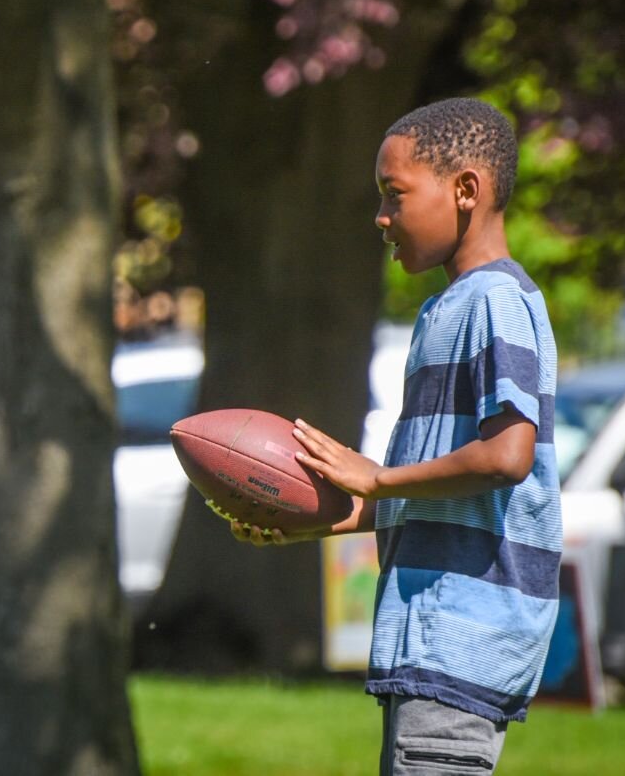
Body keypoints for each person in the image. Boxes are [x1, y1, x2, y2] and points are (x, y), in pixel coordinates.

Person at [223, 98, 561, 775]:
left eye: (394, 195)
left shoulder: (497, 302)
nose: (381, 218)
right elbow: (449, 491)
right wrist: (325, 516)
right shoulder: (450, 308)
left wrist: (374, 476)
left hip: (458, 639)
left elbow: (506, 456)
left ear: (466, 190)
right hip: (431, 642)